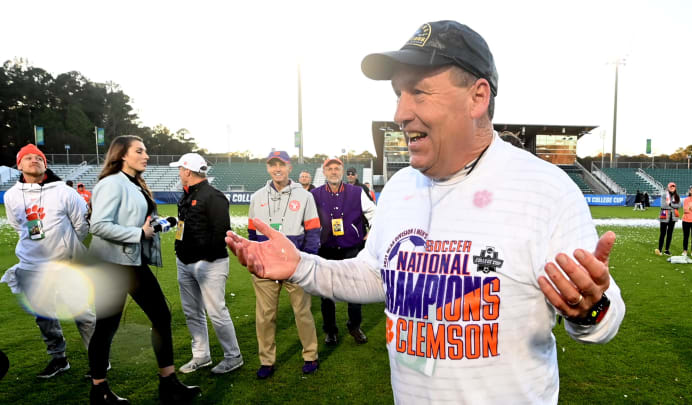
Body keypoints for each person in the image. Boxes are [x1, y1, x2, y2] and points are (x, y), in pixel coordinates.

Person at [226, 20, 625, 404]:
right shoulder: (401, 187)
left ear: (477, 97)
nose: (401, 113)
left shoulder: (544, 188)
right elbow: (376, 274)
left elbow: (605, 318)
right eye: (398, 94)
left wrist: (590, 307)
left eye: (419, 93)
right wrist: (300, 265)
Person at [87, 135, 200, 404]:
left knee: (160, 315)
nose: (146, 155)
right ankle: (99, 390)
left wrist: (160, 224)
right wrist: (138, 232)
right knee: (107, 326)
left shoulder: (132, 182)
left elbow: (137, 220)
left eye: (146, 151)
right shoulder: (111, 183)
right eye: (140, 151)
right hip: (112, 264)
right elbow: (98, 225)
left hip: (130, 261)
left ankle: (168, 383)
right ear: (122, 155)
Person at [1, 144, 95, 379]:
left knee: (82, 313)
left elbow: (82, 224)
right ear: (19, 164)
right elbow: (18, 225)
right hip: (31, 265)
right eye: (28, 158)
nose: (34, 160)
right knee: (44, 316)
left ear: (46, 164)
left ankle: (98, 360)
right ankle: (58, 358)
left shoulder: (64, 191)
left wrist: (65, 248)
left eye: (39, 158)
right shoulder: (12, 195)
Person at [248, 150, 321, 379]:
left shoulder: (305, 196)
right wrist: (255, 259)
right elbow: (252, 233)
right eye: (272, 165)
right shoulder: (257, 196)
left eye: (282, 164)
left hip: (295, 265)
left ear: (290, 168)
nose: (277, 169)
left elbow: (313, 231)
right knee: (265, 315)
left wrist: (306, 261)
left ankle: (310, 355)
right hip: (266, 267)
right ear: (268, 168)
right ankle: (266, 361)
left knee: (303, 312)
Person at [170, 153, 244, 375]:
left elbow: (221, 231)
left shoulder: (213, 196)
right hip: (185, 262)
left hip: (208, 264)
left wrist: (205, 258)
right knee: (192, 312)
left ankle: (233, 356)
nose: (179, 173)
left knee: (216, 312)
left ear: (188, 171)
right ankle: (201, 356)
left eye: (181, 169)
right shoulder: (187, 195)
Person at [311, 157, 376, 345]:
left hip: (351, 249)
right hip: (326, 250)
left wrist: (370, 235)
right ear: (324, 172)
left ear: (342, 171)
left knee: (355, 290)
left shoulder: (357, 192)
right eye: (329, 168)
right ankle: (330, 330)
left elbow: (374, 213)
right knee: (326, 293)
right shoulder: (315, 194)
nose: (333, 171)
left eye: (337, 168)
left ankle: (354, 326)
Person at [655, 182, 681, 256]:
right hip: (664, 215)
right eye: (671, 186)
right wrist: (673, 206)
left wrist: (670, 204)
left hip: (673, 217)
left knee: (670, 234)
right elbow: (663, 206)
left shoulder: (677, 196)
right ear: (668, 187)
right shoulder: (664, 195)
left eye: (673, 186)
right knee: (662, 233)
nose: (672, 187)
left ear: (675, 187)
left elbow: (679, 206)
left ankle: (667, 250)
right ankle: (659, 249)